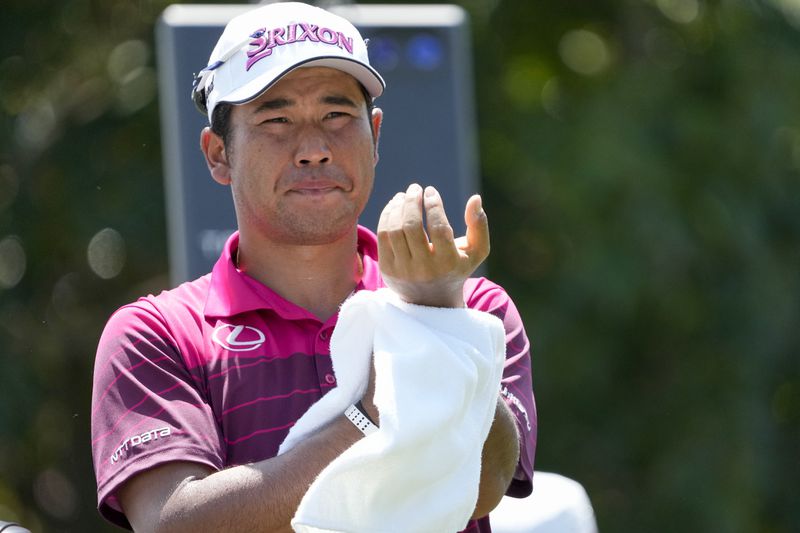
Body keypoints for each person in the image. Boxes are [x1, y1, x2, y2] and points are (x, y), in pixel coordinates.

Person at [90, 2, 536, 531]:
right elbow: (173, 522)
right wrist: (372, 413)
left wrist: (438, 315)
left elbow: (482, 488)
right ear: (218, 155)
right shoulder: (158, 333)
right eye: (276, 118)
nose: (314, 148)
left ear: (376, 137)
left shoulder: (474, 309)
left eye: (337, 115)